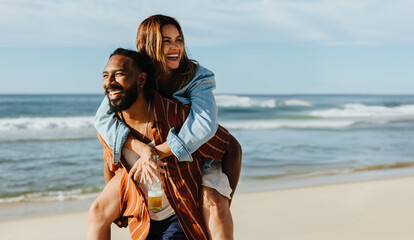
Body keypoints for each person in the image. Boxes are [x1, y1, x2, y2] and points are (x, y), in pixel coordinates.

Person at [94, 15, 241, 239]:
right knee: (98, 210)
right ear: (148, 45)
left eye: (179, 40)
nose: (175, 47)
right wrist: (142, 150)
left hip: (198, 154)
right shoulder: (136, 77)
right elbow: (103, 120)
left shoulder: (196, 77)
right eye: (166, 41)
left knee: (216, 205)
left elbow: (204, 126)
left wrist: (155, 153)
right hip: (151, 155)